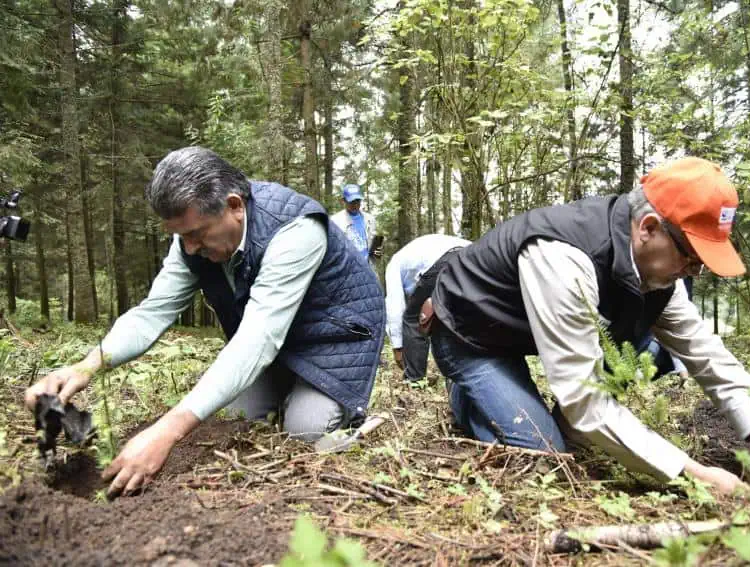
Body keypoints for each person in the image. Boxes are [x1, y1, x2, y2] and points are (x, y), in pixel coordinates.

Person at [424, 157, 750, 494]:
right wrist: (694, 475)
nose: (696, 272)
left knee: (623, 373)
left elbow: (709, 357)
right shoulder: (565, 258)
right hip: (467, 334)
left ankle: (513, 398)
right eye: (692, 257)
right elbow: (584, 403)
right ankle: (466, 392)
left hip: (514, 330)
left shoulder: (659, 280)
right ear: (649, 228)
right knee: (546, 455)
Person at [24, 147, 386, 497]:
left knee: (304, 433)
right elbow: (152, 313)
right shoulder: (191, 240)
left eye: (197, 234)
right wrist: (86, 367)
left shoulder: (294, 231)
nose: (191, 247)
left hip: (336, 337)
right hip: (284, 336)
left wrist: (166, 431)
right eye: (182, 237)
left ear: (234, 206)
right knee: (239, 420)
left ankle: (349, 416)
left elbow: (258, 339)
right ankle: (290, 387)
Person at [385, 234, 471, 382]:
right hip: (473, 257)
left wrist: (398, 347)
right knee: (454, 318)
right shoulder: (416, 251)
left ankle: (415, 379)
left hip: (442, 262)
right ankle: (461, 377)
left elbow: (395, 307)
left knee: (413, 318)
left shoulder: (394, 264)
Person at [330, 183, 381, 264]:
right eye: (351, 201)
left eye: (357, 200)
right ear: (343, 201)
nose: (355, 204)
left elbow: (374, 246)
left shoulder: (370, 219)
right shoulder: (335, 221)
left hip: (368, 268)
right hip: (348, 269)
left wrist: (377, 252)